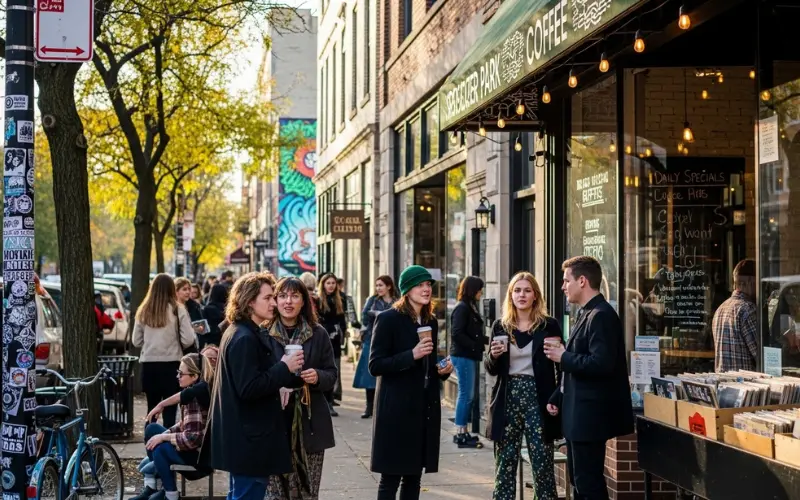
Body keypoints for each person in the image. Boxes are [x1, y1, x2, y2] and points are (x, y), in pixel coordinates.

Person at [201, 272, 304, 500]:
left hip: (245, 438)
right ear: (249, 301)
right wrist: (284, 367)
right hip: (250, 441)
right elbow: (248, 388)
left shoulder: (241, 331)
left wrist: (285, 378)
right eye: (267, 298)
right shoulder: (244, 336)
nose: (274, 303)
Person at [545, 256, 633, 500]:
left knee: (588, 484)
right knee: (580, 481)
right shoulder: (587, 313)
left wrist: (563, 357)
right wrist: (557, 396)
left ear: (582, 281)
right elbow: (579, 364)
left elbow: (601, 364)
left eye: (566, 280)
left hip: (590, 418)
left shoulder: (601, 315)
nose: (563, 286)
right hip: (578, 415)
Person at [369, 265, 453, 500]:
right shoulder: (388, 320)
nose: (426, 289)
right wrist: (411, 355)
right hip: (395, 408)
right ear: (407, 290)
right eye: (420, 284)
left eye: (428, 285)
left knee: (414, 477)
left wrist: (442, 370)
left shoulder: (430, 322)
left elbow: (426, 367)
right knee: (391, 477)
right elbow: (375, 365)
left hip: (422, 408)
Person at [485, 272, 561, 500]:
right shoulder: (501, 326)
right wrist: (494, 356)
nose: (522, 295)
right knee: (505, 463)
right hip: (508, 398)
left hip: (539, 398)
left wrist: (557, 398)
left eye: (527, 290)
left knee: (542, 463)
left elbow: (561, 366)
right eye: (517, 290)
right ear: (511, 295)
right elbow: (490, 368)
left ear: (535, 296)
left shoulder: (549, 326)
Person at [265, 277, 338, 499]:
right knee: (276, 492)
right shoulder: (263, 333)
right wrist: (276, 384)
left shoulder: (318, 334)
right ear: (275, 300)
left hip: (311, 420)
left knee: (308, 491)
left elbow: (332, 374)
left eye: (295, 296)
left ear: (304, 301)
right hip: (273, 421)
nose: (289, 301)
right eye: (283, 296)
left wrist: (317, 377)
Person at [131, 353, 210, 500]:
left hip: (199, 459)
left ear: (194, 376)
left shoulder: (195, 398)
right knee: (152, 429)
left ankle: (170, 494)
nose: (178, 376)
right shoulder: (191, 392)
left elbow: (193, 439)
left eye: (181, 373)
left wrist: (164, 437)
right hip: (190, 450)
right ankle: (154, 484)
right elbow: (183, 425)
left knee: (160, 448)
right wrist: (162, 434)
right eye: (177, 372)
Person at [132, 274, 197, 428]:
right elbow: (188, 339)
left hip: (149, 365)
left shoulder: (144, 310)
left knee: (151, 408)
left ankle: (149, 442)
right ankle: (166, 444)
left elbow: (136, 340)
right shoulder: (177, 309)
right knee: (170, 408)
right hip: (172, 364)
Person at [448, 276, 487, 447]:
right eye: (479, 289)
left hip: (468, 355)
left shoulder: (470, 306)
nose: (481, 292)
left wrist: (487, 340)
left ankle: (463, 431)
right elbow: (457, 333)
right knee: (466, 395)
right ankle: (460, 433)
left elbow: (474, 333)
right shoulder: (462, 308)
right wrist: (474, 346)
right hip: (463, 356)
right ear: (473, 290)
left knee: (467, 395)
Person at [353, 275, 398, 418]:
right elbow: (365, 317)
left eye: (381, 285)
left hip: (392, 342)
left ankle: (386, 407)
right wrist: (376, 313)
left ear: (389, 286)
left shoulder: (397, 301)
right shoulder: (372, 301)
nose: (378, 288)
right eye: (377, 285)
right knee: (369, 375)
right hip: (372, 339)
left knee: (389, 375)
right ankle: (369, 407)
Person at [712, 259, 758, 372]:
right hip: (746, 383)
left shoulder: (721, 308)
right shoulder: (748, 309)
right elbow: (760, 354)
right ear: (750, 282)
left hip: (723, 382)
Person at [316, 273, 347, 415]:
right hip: (322, 338)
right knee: (324, 368)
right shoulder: (318, 300)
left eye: (333, 283)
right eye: (328, 283)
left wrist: (342, 333)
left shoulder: (341, 299)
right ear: (323, 284)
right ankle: (326, 402)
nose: (331, 286)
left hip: (335, 339)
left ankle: (330, 400)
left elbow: (342, 320)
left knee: (334, 369)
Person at [202, 284, 228, 348]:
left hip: (212, 342)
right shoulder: (228, 308)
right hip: (227, 338)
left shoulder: (207, 309)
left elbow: (204, 329)